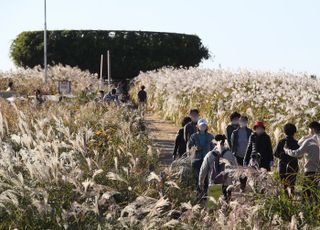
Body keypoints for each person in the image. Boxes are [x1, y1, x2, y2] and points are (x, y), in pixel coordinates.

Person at [284, 121, 320, 202]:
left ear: (312, 130)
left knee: (306, 195)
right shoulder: (312, 140)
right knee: (316, 196)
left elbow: (297, 153)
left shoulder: (309, 141)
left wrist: (287, 150)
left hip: (310, 172)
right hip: (319, 172)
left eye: (309, 130)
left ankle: (307, 213)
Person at [199, 134, 237, 202]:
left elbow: (203, 170)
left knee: (213, 206)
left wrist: (201, 182)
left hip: (214, 182)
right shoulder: (230, 155)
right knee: (226, 205)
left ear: (215, 143)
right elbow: (236, 170)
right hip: (227, 185)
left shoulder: (209, 155)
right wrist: (235, 183)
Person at [188, 119, 214, 197]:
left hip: (207, 160)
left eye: (204, 125)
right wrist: (194, 148)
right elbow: (189, 146)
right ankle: (198, 194)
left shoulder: (210, 136)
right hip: (196, 159)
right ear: (198, 126)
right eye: (201, 125)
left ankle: (206, 194)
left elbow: (214, 148)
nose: (203, 127)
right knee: (197, 178)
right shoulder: (193, 136)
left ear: (206, 127)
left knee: (206, 178)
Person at [274, 123, 299, 197]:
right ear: (294, 132)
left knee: (284, 185)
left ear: (284, 132)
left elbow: (275, 154)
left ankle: (286, 198)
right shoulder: (296, 143)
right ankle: (292, 198)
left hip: (283, 166)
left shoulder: (281, 142)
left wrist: (282, 156)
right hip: (293, 166)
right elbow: (299, 154)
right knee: (292, 183)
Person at [230, 116, 252, 191]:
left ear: (247, 122)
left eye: (244, 121)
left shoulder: (250, 132)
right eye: (241, 121)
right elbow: (232, 144)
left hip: (247, 155)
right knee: (240, 170)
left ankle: (243, 185)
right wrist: (233, 154)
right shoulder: (235, 132)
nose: (243, 122)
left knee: (246, 170)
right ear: (239, 122)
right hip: (238, 154)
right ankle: (242, 186)